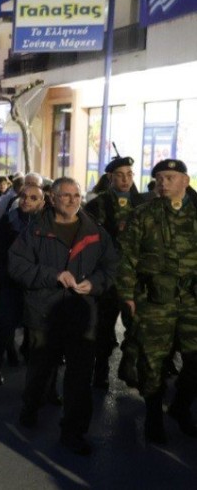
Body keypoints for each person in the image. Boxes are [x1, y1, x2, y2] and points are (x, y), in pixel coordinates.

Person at [9, 177, 118, 456]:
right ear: (53, 198)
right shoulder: (34, 231)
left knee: (80, 378)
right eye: (66, 195)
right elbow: (17, 266)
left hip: (82, 316)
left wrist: (95, 283)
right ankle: (31, 406)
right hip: (45, 313)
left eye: (76, 195)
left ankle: (73, 431)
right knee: (41, 371)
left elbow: (111, 266)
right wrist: (53, 275)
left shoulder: (95, 231)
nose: (72, 200)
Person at [118, 159, 197, 444]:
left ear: (185, 181)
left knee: (194, 361)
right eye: (159, 178)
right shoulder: (143, 214)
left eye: (170, 177)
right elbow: (126, 257)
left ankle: (180, 407)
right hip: (154, 300)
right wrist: (127, 295)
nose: (163, 182)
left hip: (191, 300)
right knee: (154, 361)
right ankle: (153, 416)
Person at [84, 155, 147, 389]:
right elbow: (89, 241)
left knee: (137, 327)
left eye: (129, 174)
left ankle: (130, 369)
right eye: (120, 175)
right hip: (108, 279)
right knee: (103, 329)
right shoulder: (97, 205)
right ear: (110, 178)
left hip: (135, 279)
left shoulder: (142, 204)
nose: (126, 179)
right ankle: (100, 373)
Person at [0, 183, 44, 384]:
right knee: (5, 326)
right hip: (11, 283)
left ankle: (36, 373)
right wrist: (12, 269)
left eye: (33, 198)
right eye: (24, 196)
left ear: (42, 201)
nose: (27, 200)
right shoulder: (7, 222)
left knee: (36, 330)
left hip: (36, 285)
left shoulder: (47, 224)